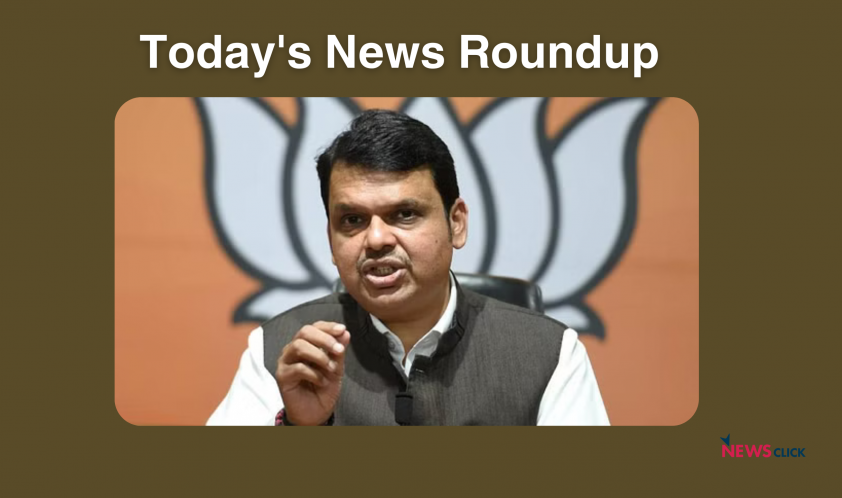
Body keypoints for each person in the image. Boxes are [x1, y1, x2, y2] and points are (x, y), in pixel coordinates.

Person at [207, 109, 609, 426]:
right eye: (352, 220)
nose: (376, 239)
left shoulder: (548, 355)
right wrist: (299, 428)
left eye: (404, 214)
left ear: (456, 223)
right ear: (331, 239)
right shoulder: (281, 351)